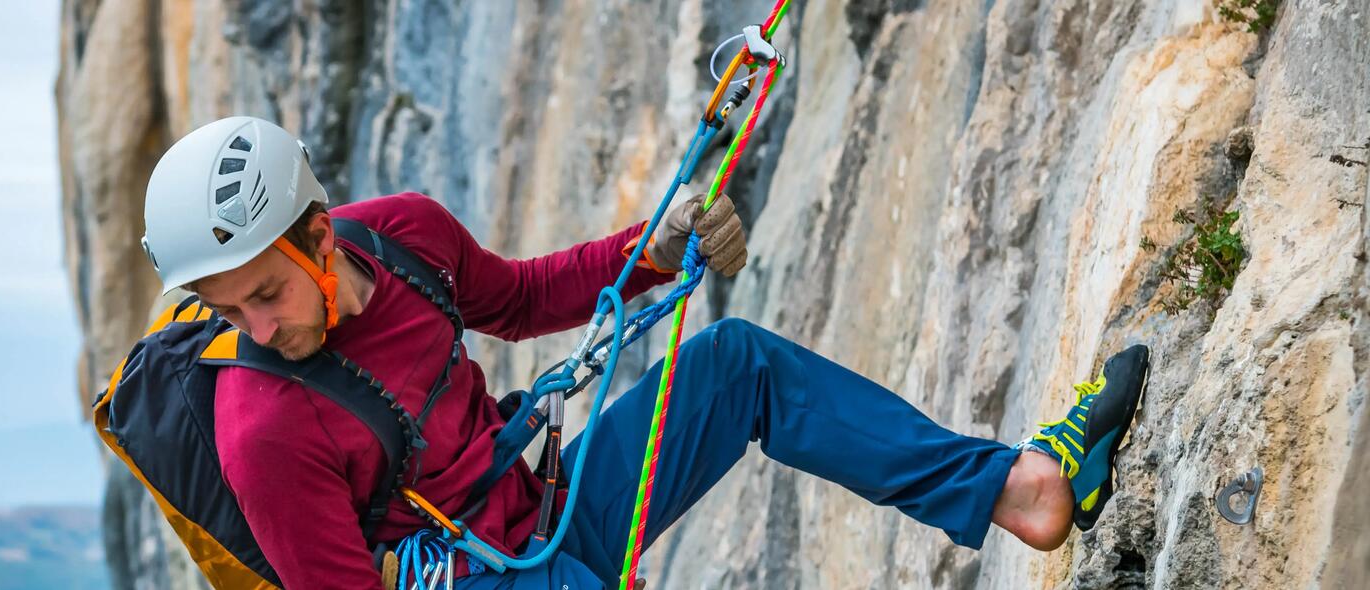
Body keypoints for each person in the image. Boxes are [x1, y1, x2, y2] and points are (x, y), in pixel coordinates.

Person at [136, 116, 1150, 589]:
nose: (259, 327)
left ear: (318, 231)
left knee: (740, 365)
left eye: (264, 292)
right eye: (232, 310)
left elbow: (520, 297)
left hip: (546, 509)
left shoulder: (399, 237)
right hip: (478, 577)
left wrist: (651, 251)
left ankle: (1021, 488)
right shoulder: (263, 429)